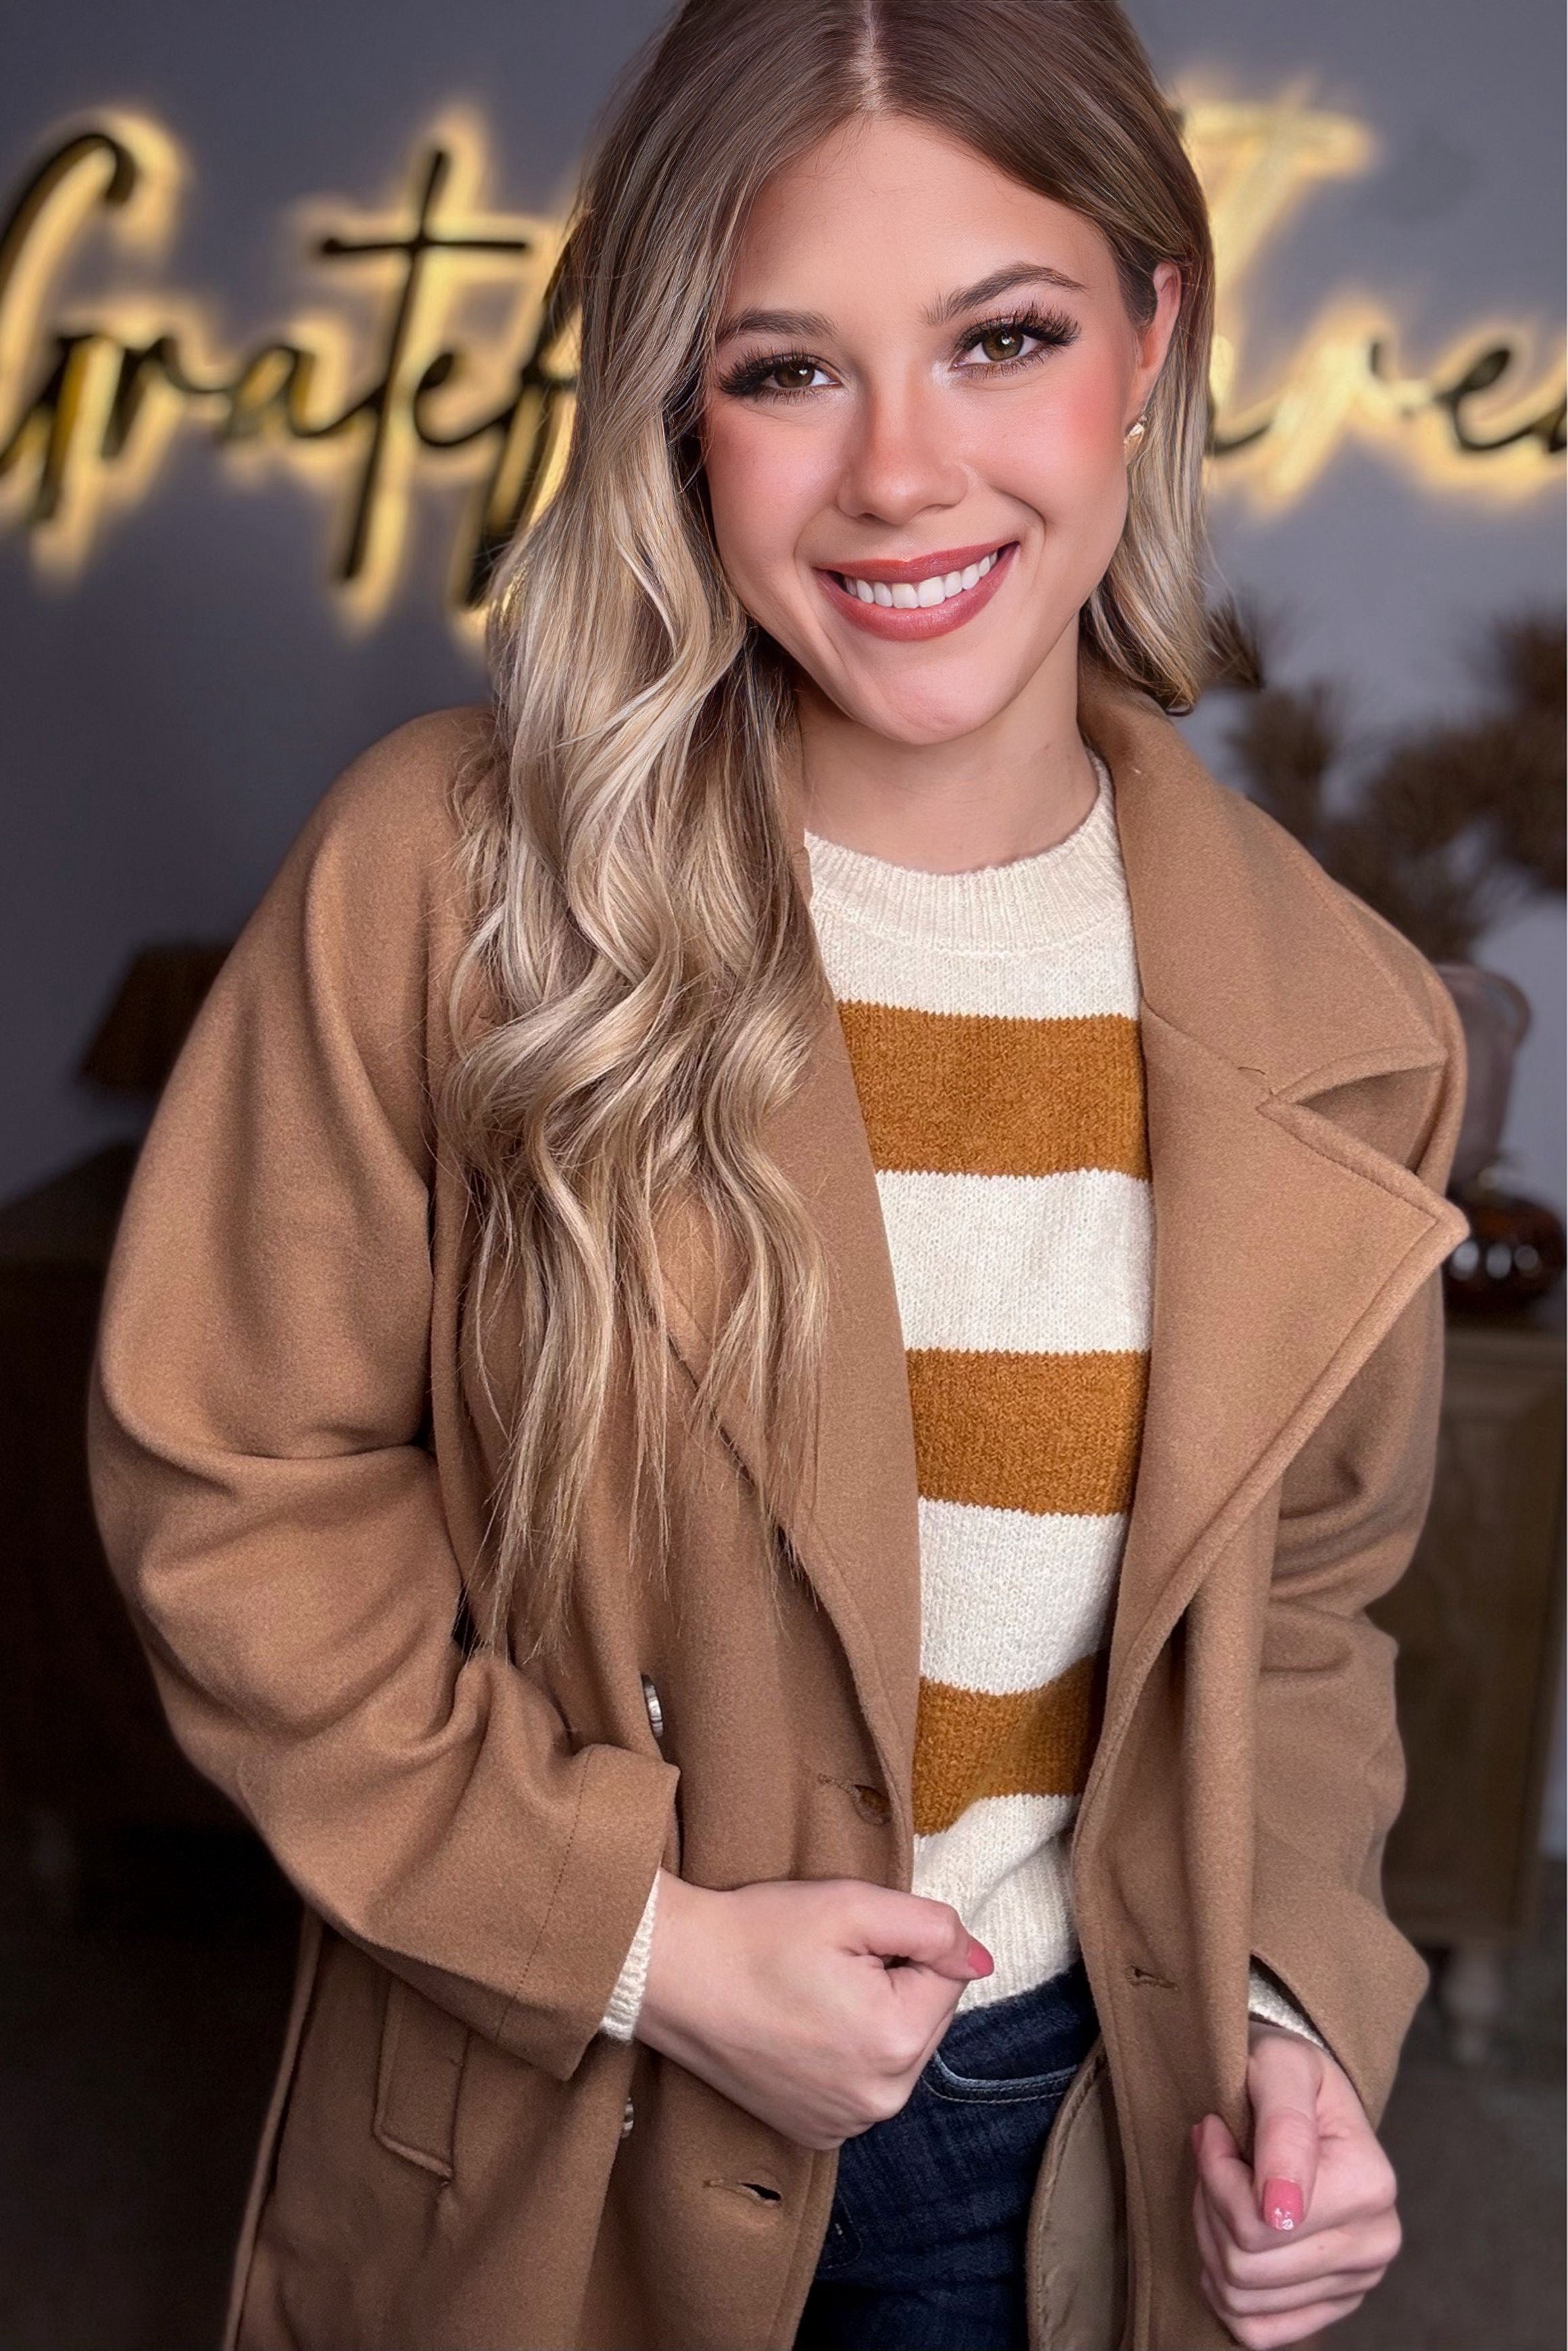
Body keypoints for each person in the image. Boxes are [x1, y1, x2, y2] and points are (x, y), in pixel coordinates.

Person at [86, 3, 1470, 2347]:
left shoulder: (1348, 1020)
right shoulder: (447, 883)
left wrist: (1287, 2019)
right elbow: (237, 1496)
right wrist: (644, 1945)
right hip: (570, 2117)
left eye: (1001, 337)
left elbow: (1307, 1621)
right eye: (787, 368)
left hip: (1081, 2147)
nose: (900, 476)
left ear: (1153, 338)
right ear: (675, 411)